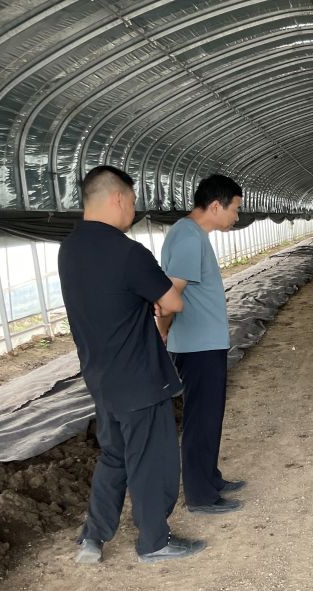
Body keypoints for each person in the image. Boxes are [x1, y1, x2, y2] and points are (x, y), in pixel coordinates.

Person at [58, 165, 205, 564]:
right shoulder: (127, 252)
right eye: (133, 201)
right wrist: (154, 300)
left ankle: (93, 537)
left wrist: (142, 299)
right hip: (139, 376)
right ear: (118, 198)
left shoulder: (69, 249)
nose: (134, 210)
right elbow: (173, 302)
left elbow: (107, 299)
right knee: (151, 460)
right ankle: (154, 541)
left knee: (115, 455)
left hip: (100, 376)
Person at [156, 175, 245, 515]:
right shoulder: (189, 238)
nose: (236, 217)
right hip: (196, 347)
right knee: (200, 419)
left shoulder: (192, 235)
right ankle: (200, 496)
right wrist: (162, 331)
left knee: (210, 416)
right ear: (215, 206)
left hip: (204, 343)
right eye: (234, 209)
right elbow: (169, 296)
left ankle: (210, 478)